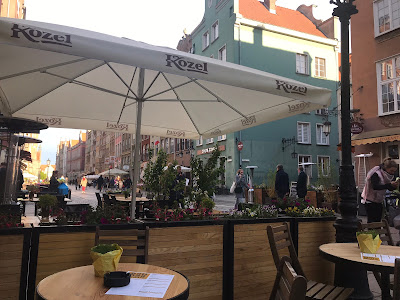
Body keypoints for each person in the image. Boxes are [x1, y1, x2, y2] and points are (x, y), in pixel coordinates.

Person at [362, 157, 399, 223]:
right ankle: (371, 233)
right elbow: (375, 186)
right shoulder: (376, 174)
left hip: (379, 200)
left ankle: (377, 232)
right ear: (386, 168)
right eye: (391, 171)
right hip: (369, 200)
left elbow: (386, 186)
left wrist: (393, 186)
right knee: (372, 221)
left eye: (394, 171)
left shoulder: (387, 175)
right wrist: (389, 185)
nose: (392, 173)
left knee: (378, 220)